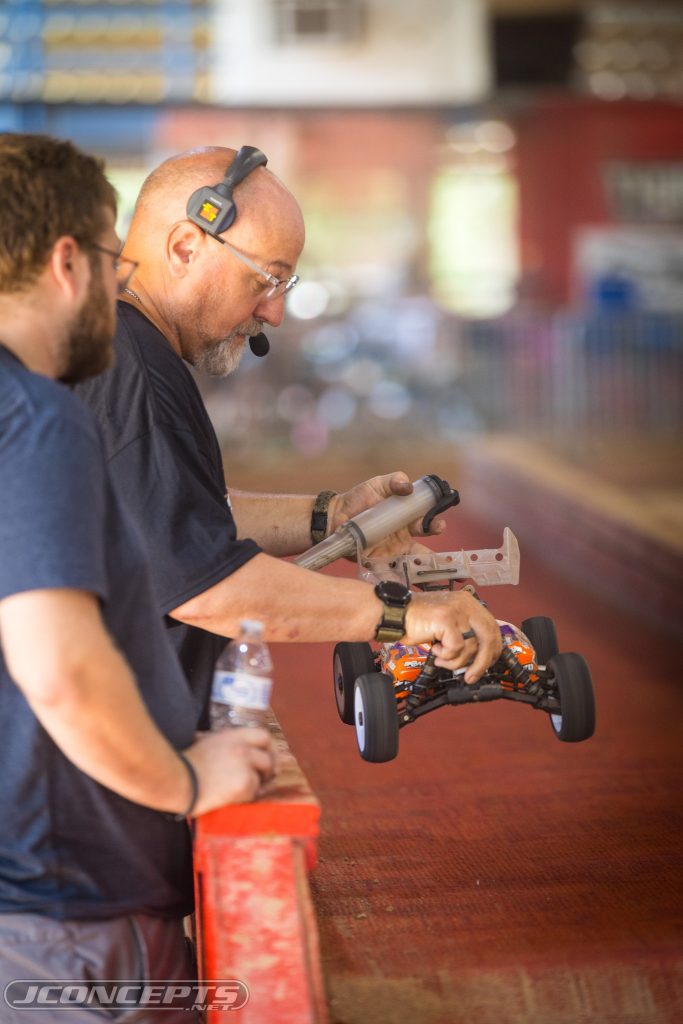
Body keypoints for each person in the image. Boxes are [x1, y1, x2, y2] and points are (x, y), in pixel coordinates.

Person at [74, 145, 502, 720]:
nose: (273, 314)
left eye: (285, 286)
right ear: (185, 247)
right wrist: (406, 614)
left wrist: (333, 515)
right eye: (267, 280)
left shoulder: (120, 349)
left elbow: (172, 516)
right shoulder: (136, 376)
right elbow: (203, 586)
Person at [0, 133, 276, 1022]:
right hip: (67, 912)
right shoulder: (36, 417)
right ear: (67, 262)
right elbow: (59, 667)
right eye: (113, 259)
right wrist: (184, 780)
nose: (121, 286)